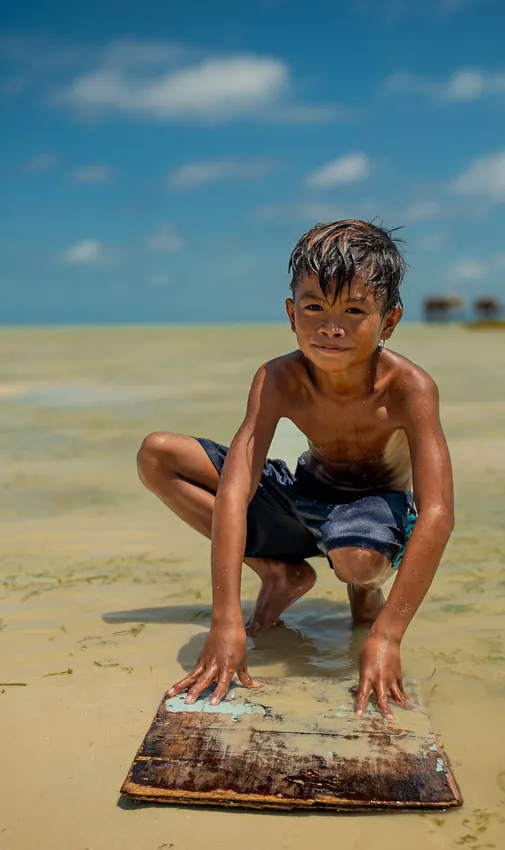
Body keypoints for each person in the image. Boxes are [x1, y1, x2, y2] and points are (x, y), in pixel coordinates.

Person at [135, 219, 455, 719]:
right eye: (314, 308)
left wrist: (387, 637)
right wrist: (225, 619)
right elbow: (238, 487)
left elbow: (437, 513)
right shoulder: (279, 377)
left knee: (358, 562)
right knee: (158, 453)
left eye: (354, 310)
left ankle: (364, 594)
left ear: (388, 322)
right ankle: (279, 572)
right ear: (291, 314)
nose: (332, 327)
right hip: (304, 489)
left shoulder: (409, 388)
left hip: (371, 508)